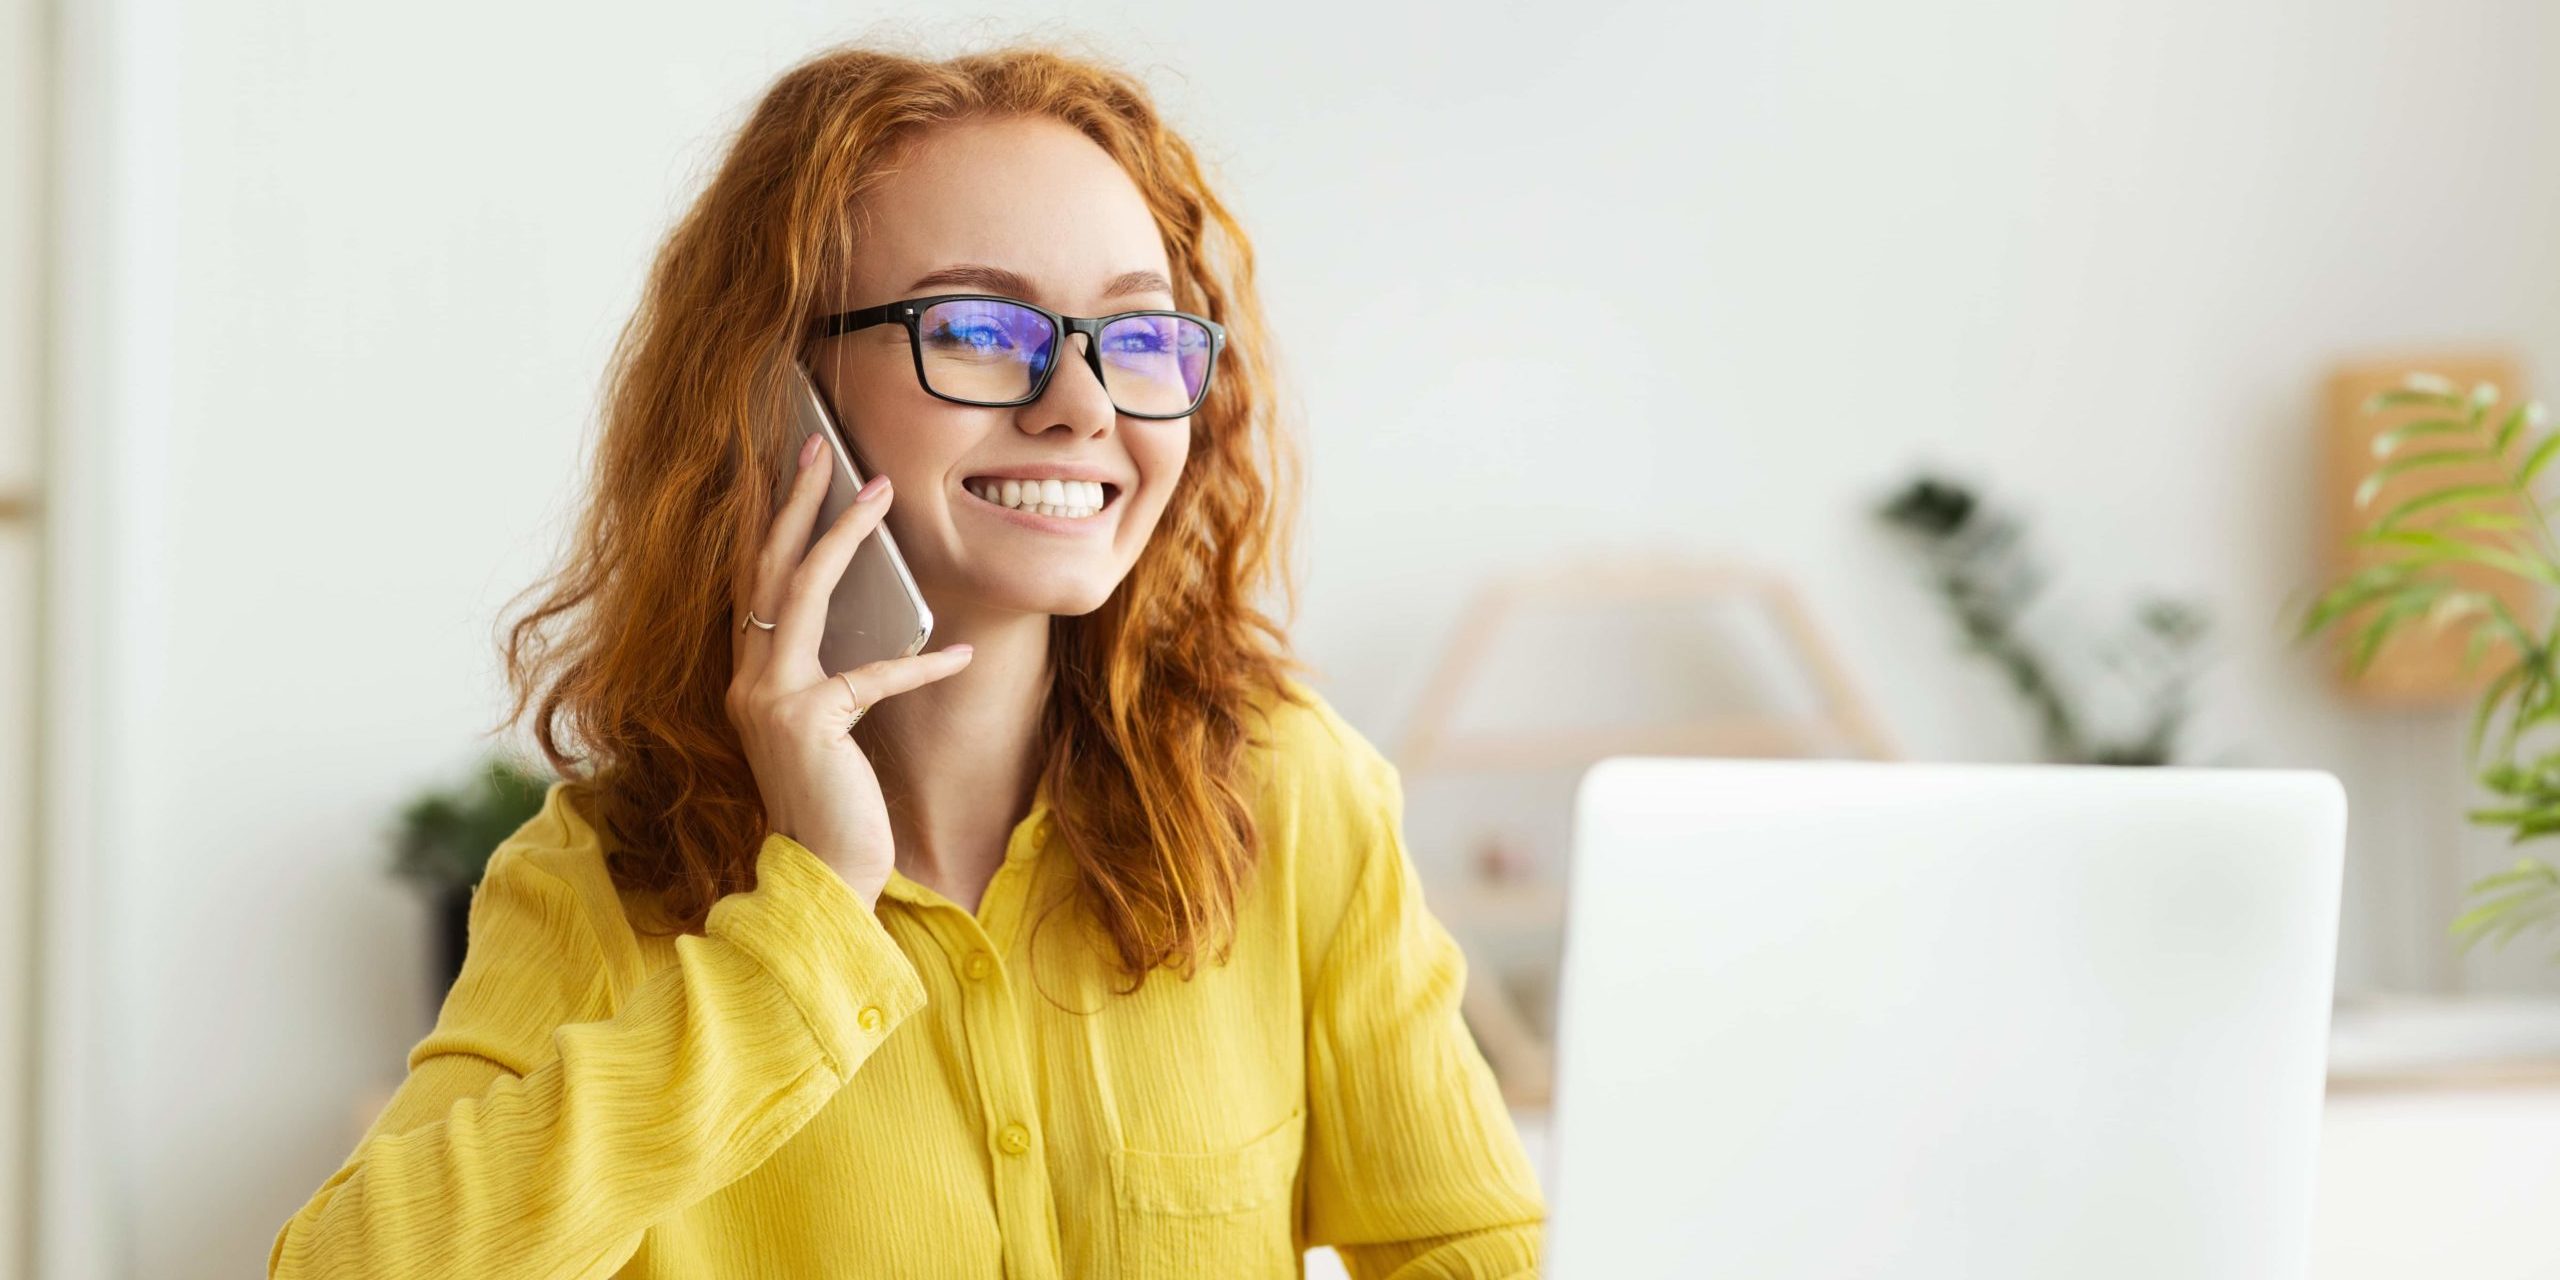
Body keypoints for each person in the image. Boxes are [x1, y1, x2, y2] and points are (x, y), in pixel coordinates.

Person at [268, 38, 1544, 1280]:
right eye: (981, 326)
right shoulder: (602, 884)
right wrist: (809, 917)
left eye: (1138, 335)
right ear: (770, 396)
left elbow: (1466, 1246)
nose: (1084, 407)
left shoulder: (1288, 792)